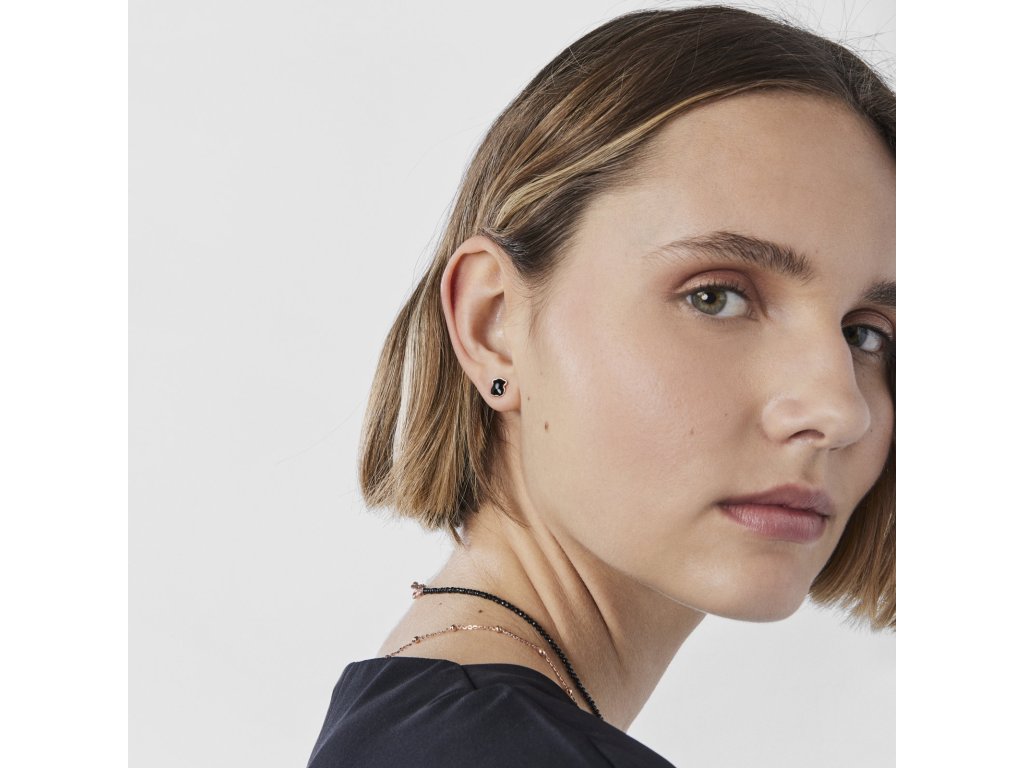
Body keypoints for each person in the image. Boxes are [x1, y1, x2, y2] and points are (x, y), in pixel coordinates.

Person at [308, 5, 895, 766]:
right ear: (493, 324)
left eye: (866, 333)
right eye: (715, 296)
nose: (840, 409)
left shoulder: (424, 722)